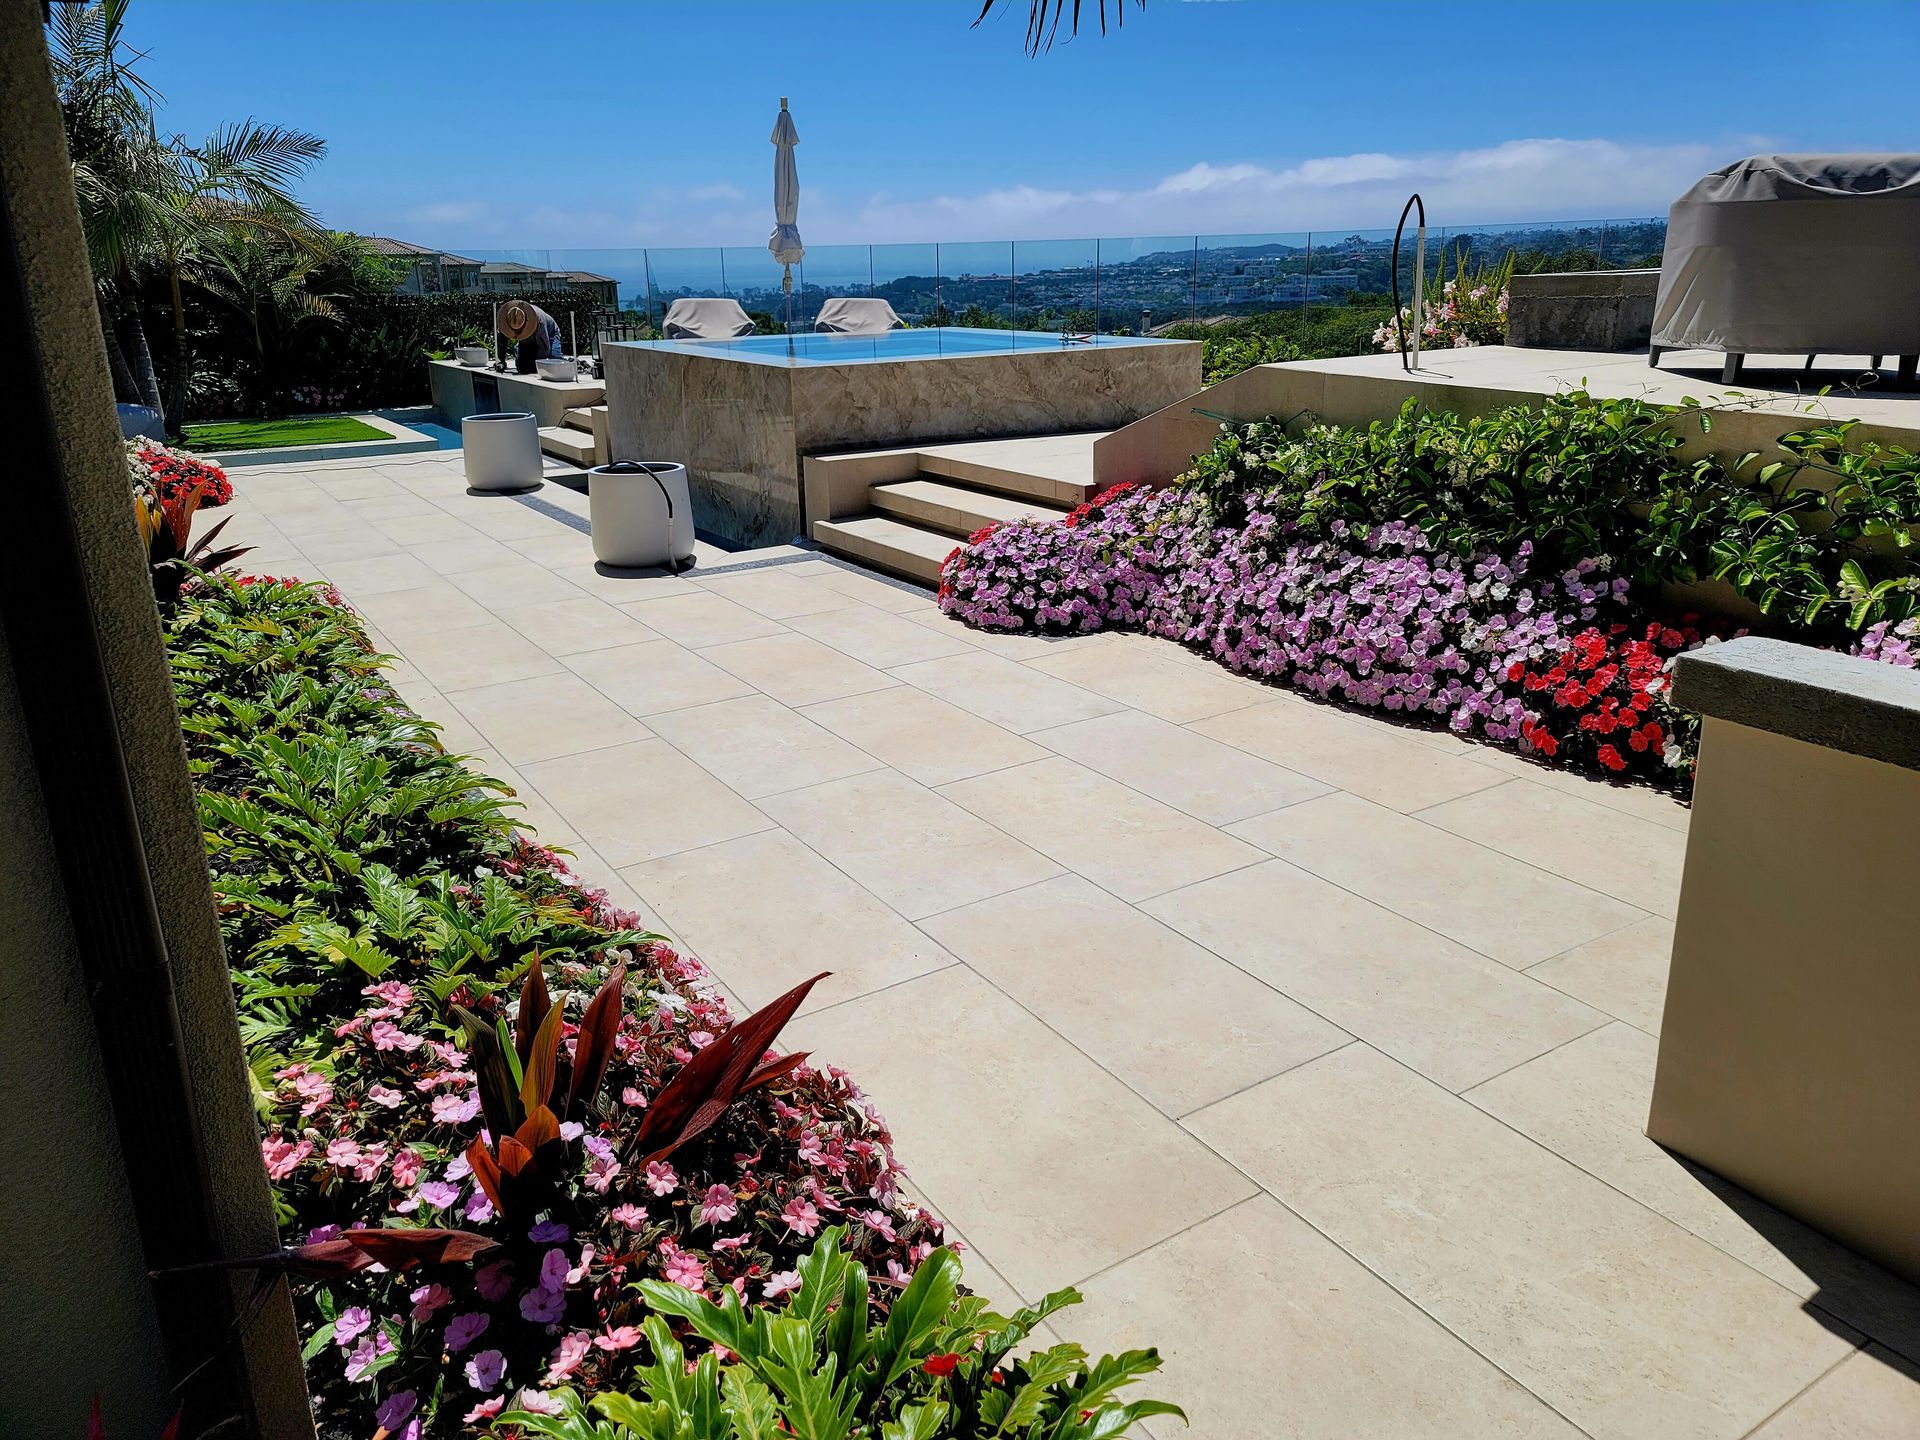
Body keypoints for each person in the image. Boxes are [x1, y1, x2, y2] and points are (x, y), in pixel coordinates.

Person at [497, 300, 565, 374]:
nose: (517, 332)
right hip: (527, 340)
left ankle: (567, 362)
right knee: (522, 368)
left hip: (549, 335)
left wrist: (538, 365)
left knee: (553, 365)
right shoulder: (504, 323)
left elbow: (545, 348)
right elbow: (501, 343)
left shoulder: (539, 321)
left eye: (519, 330)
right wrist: (502, 361)